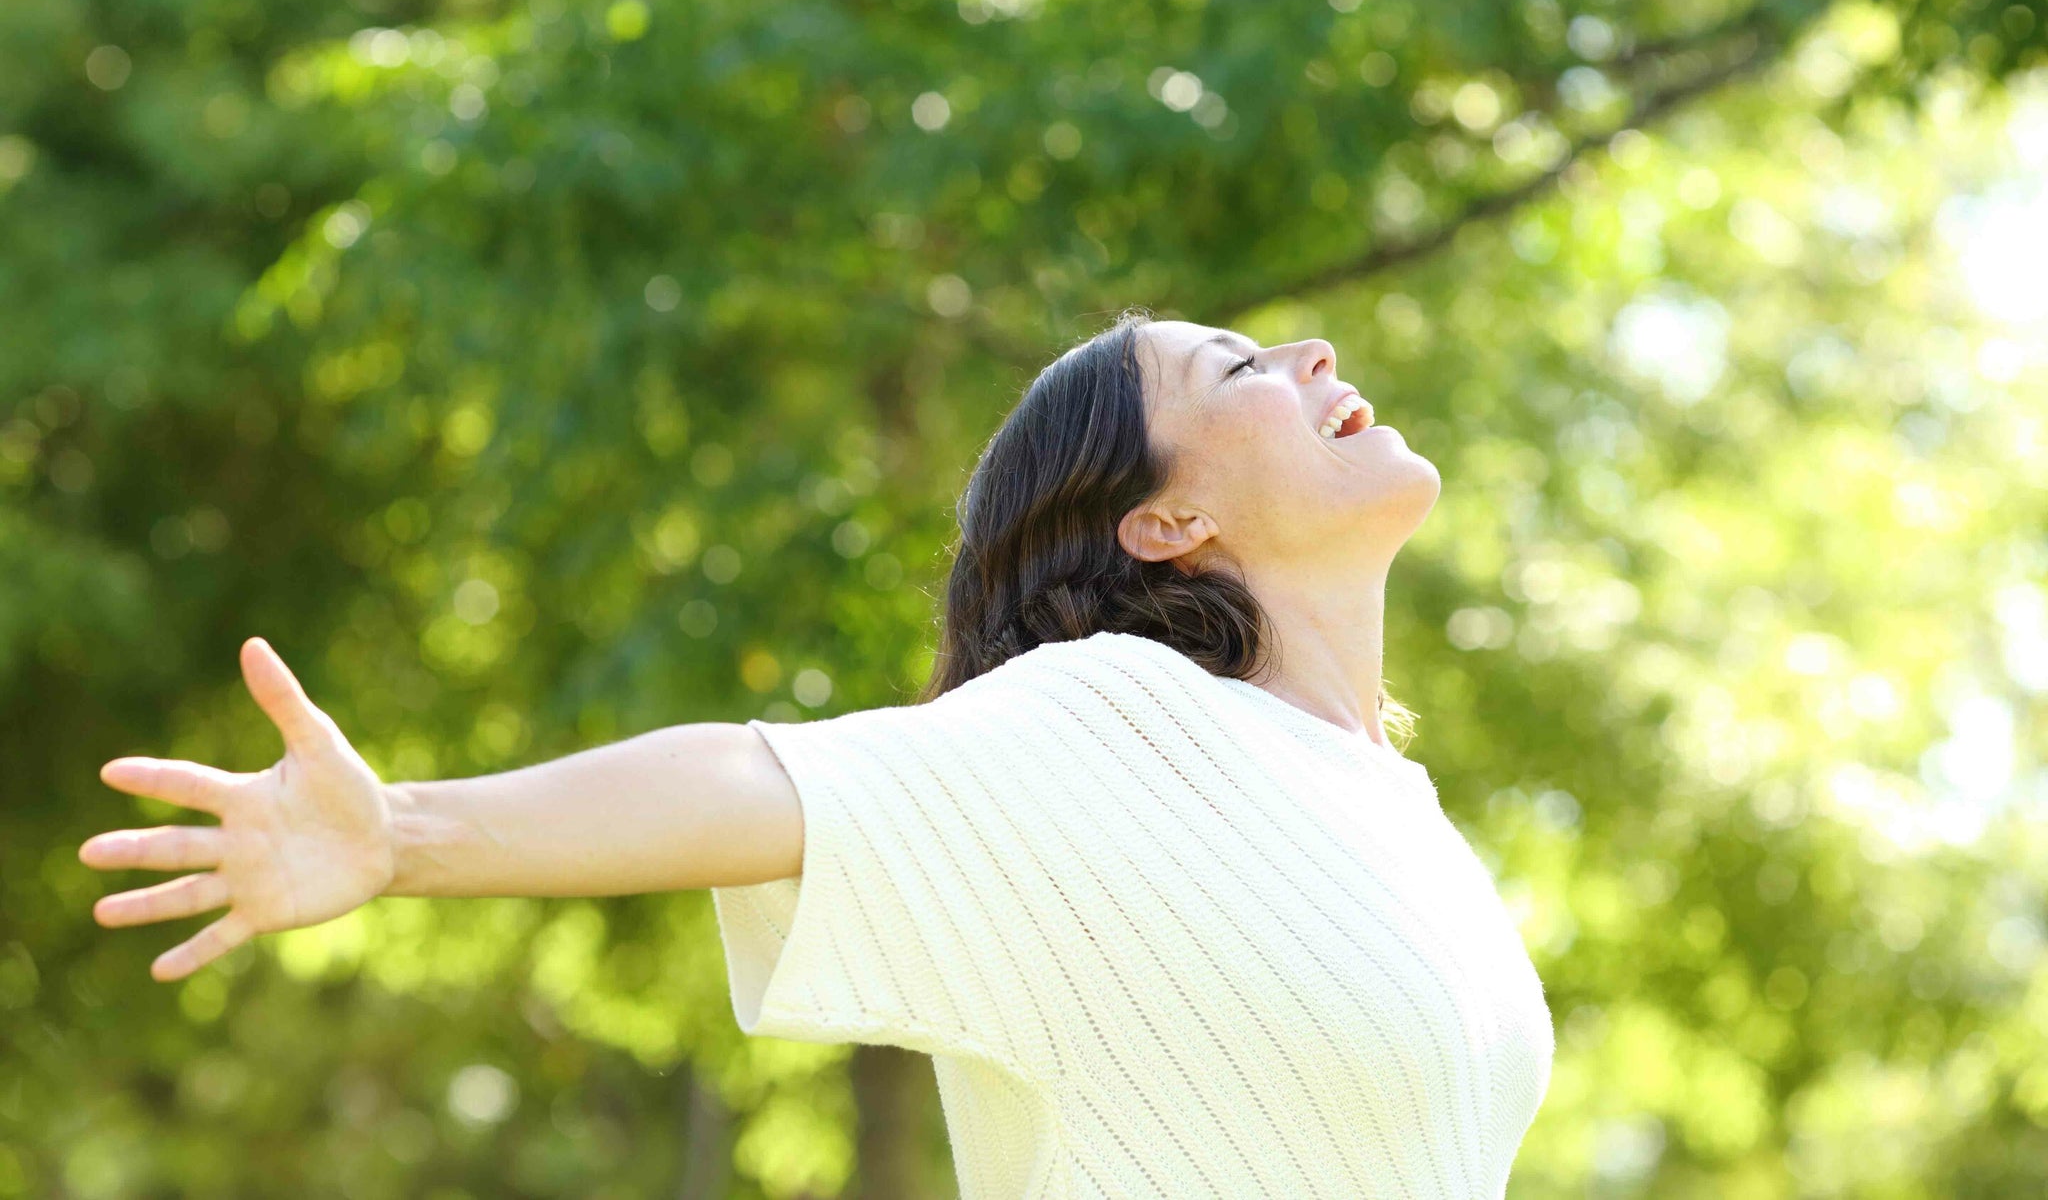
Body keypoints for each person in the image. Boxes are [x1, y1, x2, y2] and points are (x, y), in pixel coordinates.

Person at [79, 307, 1555, 1198]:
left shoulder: (1395, 810)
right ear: (1164, 524)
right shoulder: (1124, 724)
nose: (1314, 352)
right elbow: (769, 780)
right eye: (1242, 367)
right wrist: (403, 832)